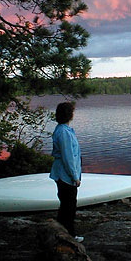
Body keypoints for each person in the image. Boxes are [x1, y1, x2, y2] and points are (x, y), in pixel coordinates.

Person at [49, 102, 84, 242]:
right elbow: (68, 157)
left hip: (63, 174)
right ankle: (69, 236)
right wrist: (75, 177)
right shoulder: (64, 132)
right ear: (69, 114)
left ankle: (61, 232)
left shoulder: (63, 129)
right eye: (71, 112)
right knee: (69, 206)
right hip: (65, 175)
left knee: (66, 205)